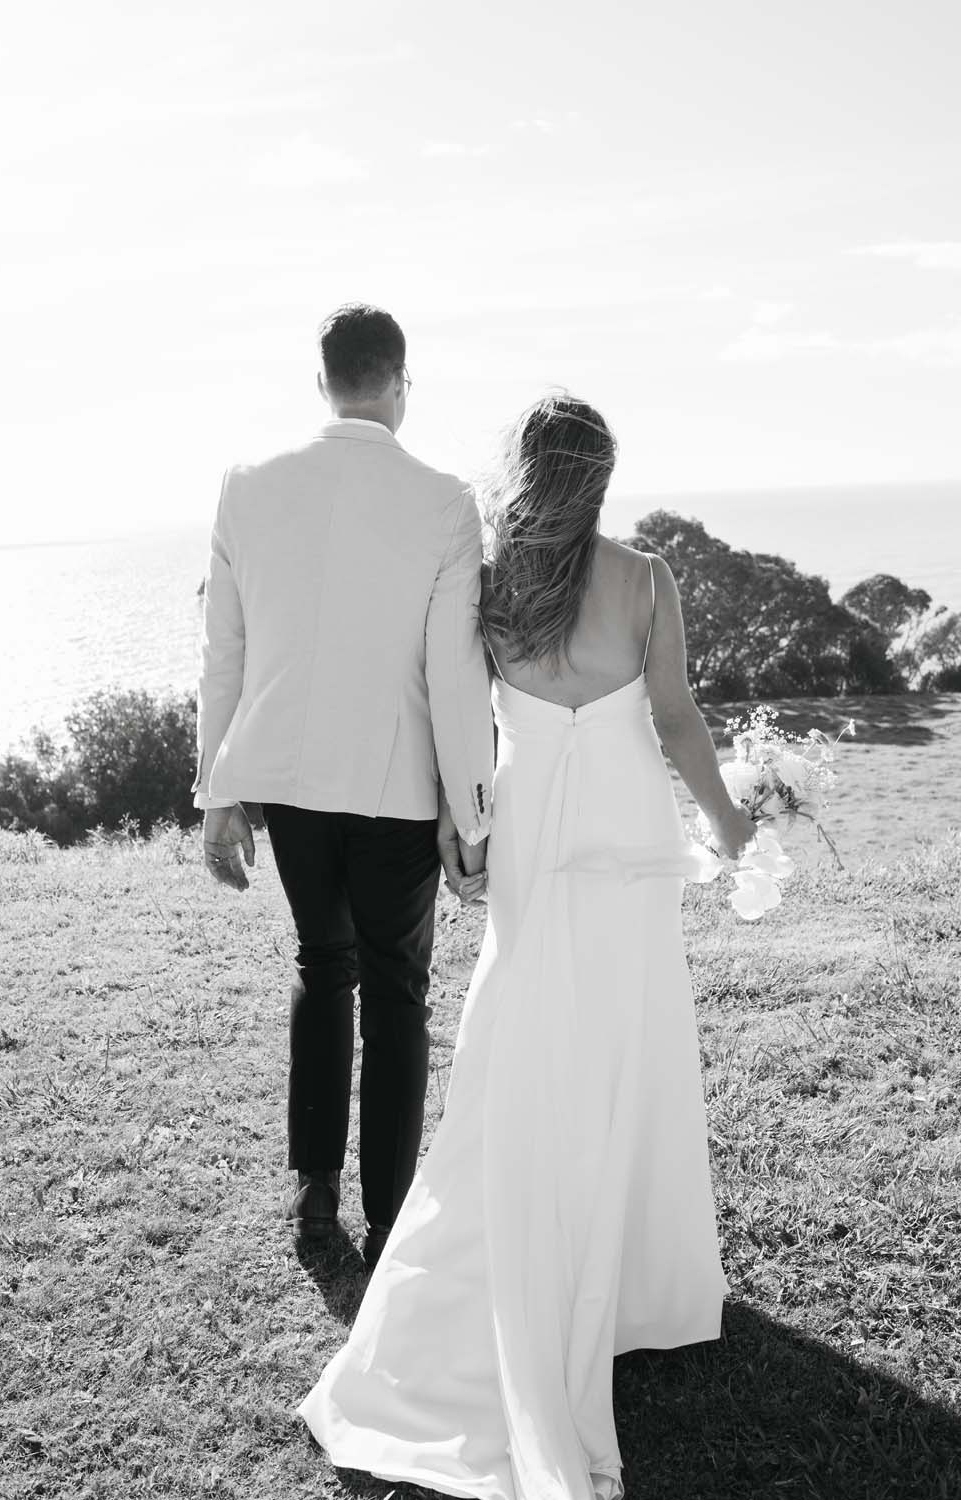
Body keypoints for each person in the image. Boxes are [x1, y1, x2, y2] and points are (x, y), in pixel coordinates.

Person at [297, 393, 756, 1500]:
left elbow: (450, 707)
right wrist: (730, 825)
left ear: (525, 474)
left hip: (531, 843)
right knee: (624, 1041)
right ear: (599, 475)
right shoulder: (645, 578)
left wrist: (464, 822)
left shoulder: (491, 581)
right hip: (625, 841)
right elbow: (679, 719)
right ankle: (636, 1281)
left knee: (522, 1040)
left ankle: (572, 1259)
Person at [192, 303, 495, 1269]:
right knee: (397, 991)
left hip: (286, 783)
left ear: (321, 382)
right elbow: (455, 674)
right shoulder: (446, 500)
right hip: (395, 789)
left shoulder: (248, 486)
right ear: (401, 382)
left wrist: (219, 793)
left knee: (324, 967)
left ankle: (316, 1199)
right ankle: (391, 1209)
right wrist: (470, 808)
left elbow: (223, 655)